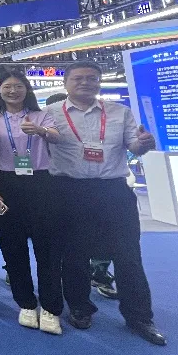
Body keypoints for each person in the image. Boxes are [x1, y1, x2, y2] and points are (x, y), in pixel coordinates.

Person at [45, 61, 165, 345]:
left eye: (92, 78)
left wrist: (144, 144)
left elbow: (134, 145)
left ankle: (139, 316)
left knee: (128, 255)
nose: (85, 83)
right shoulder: (50, 113)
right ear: (66, 83)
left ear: (99, 82)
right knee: (74, 255)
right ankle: (80, 307)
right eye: (78, 78)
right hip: (68, 190)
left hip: (113, 190)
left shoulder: (119, 112)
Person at [0, 69, 65, 335]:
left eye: (18, 86)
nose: (13, 91)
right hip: (6, 183)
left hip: (41, 183)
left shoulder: (42, 115)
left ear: (27, 89)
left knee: (47, 247)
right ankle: (26, 303)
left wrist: (40, 130)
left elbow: (57, 136)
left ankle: (51, 306)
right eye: (7, 86)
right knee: (12, 245)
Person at [46, 92, 119, 300]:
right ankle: (70, 280)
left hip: (95, 188)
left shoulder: (94, 129)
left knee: (101, 232)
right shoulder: (44, 132)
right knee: (65, 238)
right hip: (58, 189)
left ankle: (100, 272)